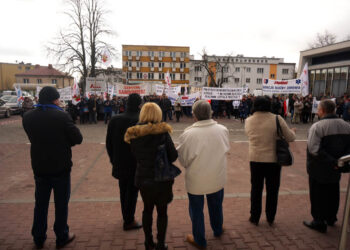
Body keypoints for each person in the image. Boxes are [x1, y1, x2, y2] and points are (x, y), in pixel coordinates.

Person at [22, 86, 83, 249]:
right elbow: (78, 138)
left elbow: (34, 137)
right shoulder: (61, 116)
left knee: (40, 203)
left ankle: (38, 236)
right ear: (54, 99)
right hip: (60, 167)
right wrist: (65, 141)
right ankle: (61, 235)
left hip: (39, 166)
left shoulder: (27, 117)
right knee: (61, 203)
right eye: (58, 98)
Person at [177, 100, 230, 249]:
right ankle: (218, 229)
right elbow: (226, 148)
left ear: (194, 115)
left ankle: (200, 240)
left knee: (196, 210)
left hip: (196, 179)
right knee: (216, 205)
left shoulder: (188, 134)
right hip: (217, 176)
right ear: (210, 113)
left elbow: (184, 159)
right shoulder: (222, 129)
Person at [124, 102, 178, 250]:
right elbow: (173, 156)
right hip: (162, 178)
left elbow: (133, 155)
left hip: (143, 177)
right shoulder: (163, 133)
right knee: (162, 212)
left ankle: (148, 241)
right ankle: (161, 244)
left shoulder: (133, 133)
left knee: (147, 209)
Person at [245, 96, 296, 226]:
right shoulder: (277, 119)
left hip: (255, 159)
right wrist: (292, 131)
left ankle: (254, 217)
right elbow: (290, 137)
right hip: (273, 160)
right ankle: (270, 217)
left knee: (256, 189)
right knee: (273, 190)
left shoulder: (249, 120)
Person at [303, 99, 350, 233]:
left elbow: (314, 149)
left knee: (317, 194)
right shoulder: (346, 125)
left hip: (319, 167)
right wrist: (339, 162)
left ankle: (319, 221)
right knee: (333, 191)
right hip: (338, 167)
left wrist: (332, 162)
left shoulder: (318, 127)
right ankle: (331, 217)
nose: (317, 111)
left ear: (322, 111)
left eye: (318, 109)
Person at [106, 94, 143, 231]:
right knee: (132, 192)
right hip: (136, 163)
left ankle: (126, 216)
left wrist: (113, 159)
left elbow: (108, 143)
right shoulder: (140, 120)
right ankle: (129, 220)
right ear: (139, 105)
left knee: (123, 190)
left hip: (120, 162)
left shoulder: (115, 120)